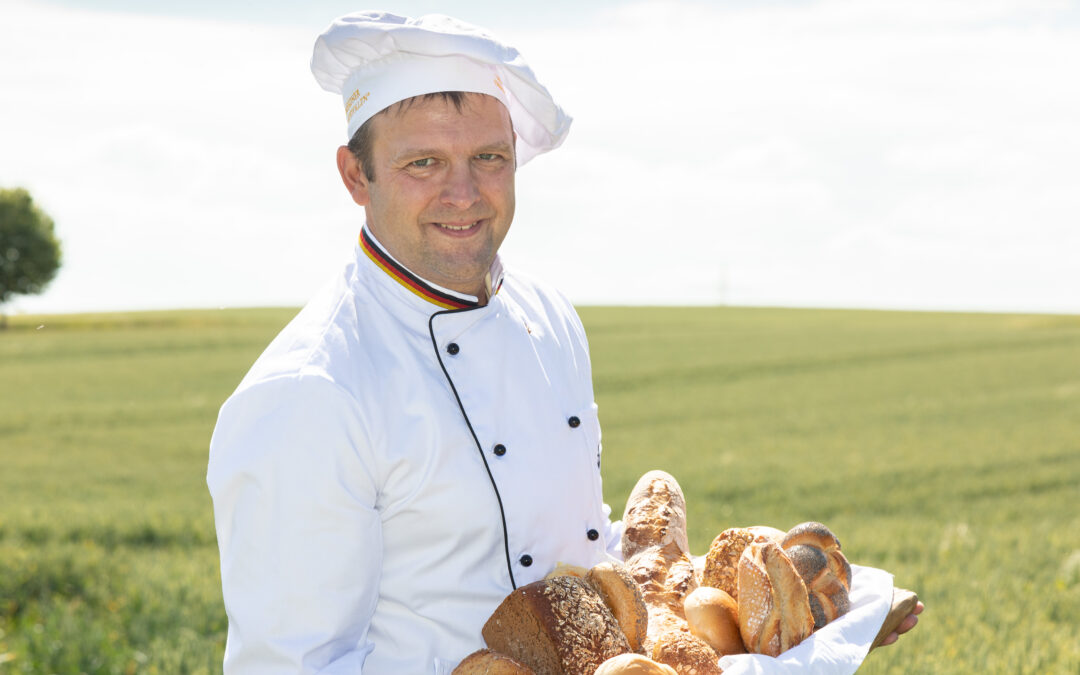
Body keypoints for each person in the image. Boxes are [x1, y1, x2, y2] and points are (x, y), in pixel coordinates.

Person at [207, 11, 921, 674]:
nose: (465, 193)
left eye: (488, 157)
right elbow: (289, 664)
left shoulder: (546, 316)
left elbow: (583, 550)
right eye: (422, 163)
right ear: (354, 175)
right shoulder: (310, 393)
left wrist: (818, 624)